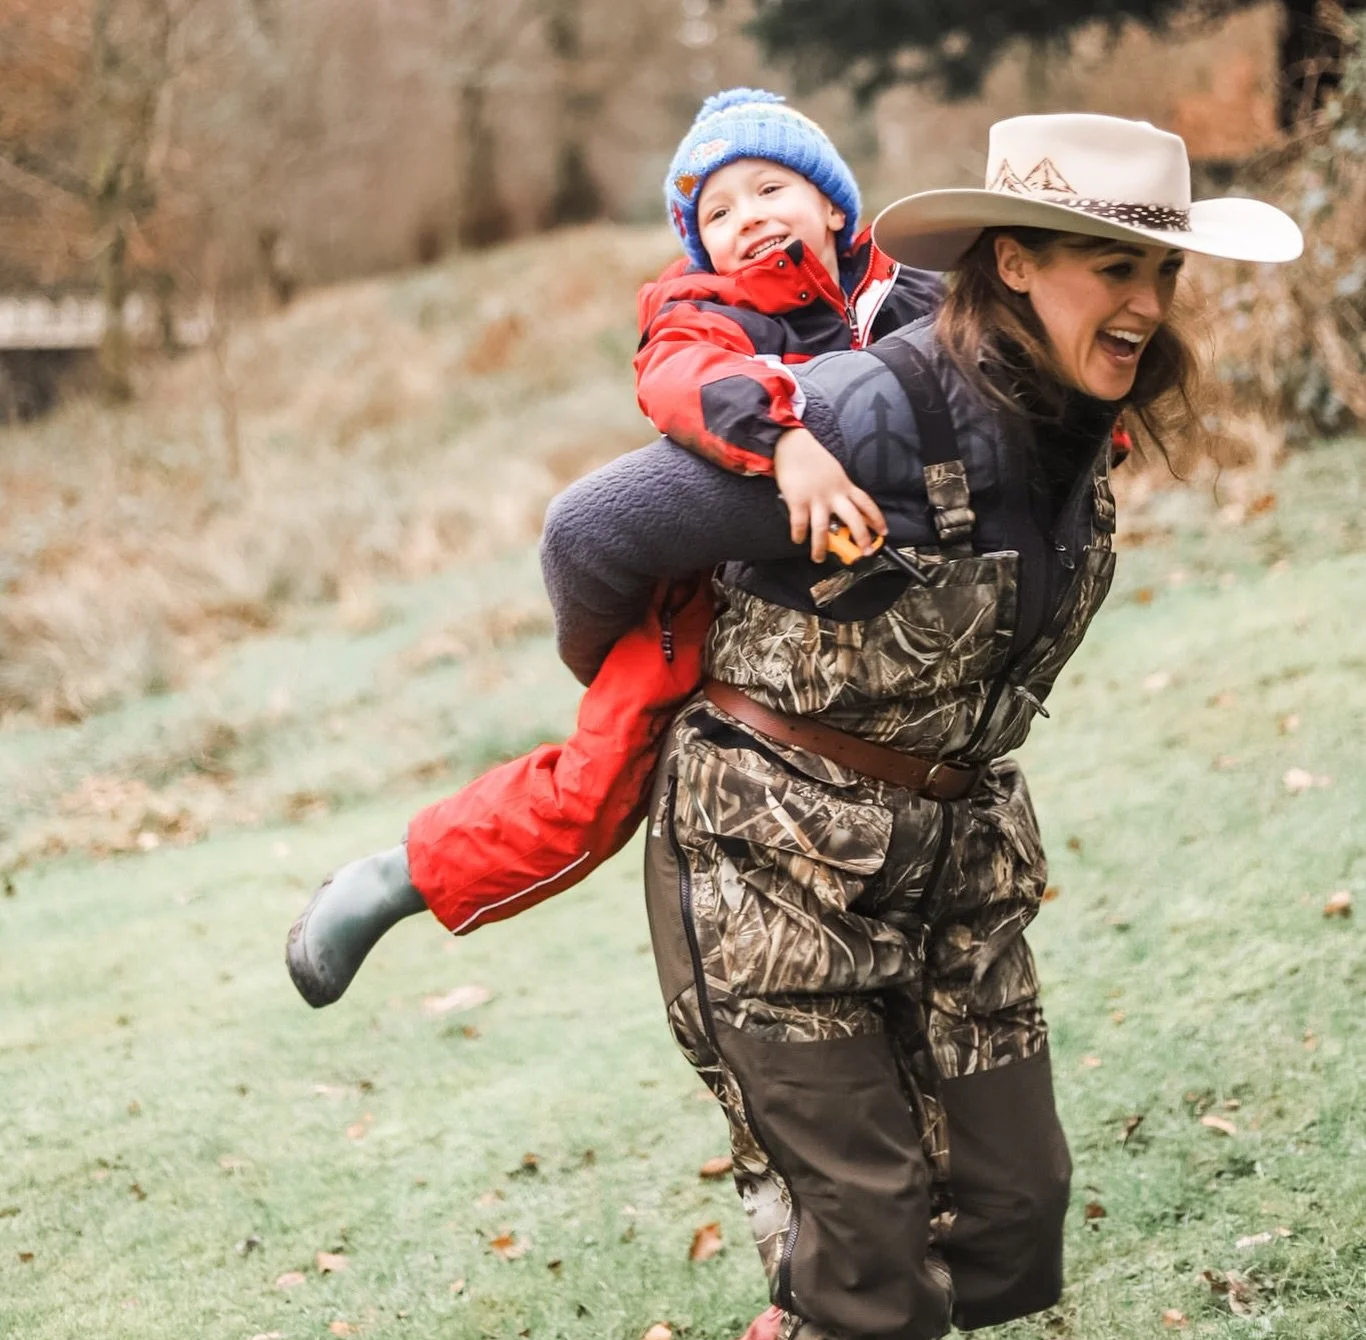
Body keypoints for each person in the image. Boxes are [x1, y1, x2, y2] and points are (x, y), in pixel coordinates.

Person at [535, 113, 1301, 1340]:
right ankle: (844, 1315)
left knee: (1011, 1215)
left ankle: (817, 1319)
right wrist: (649, 681)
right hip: (767, 865)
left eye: (1161, 272)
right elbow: (589, 534)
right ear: (1011, 264)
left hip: (956, 870)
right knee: (873, 1262)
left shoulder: (1069, 426)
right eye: (1113, 268)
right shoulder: (866, 413)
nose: (1146, 305)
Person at [286, 89, 943, 1005]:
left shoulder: (909, 289)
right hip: (701, 596)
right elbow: (686, 381)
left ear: (834, 202)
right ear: (698, 243)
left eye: (770, 191)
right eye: (717, 212)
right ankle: (399, 878)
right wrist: (786, 439)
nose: (747, 220)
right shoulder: (701, 313)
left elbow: (1010, 373)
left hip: (892, 636)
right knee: (597, 784)